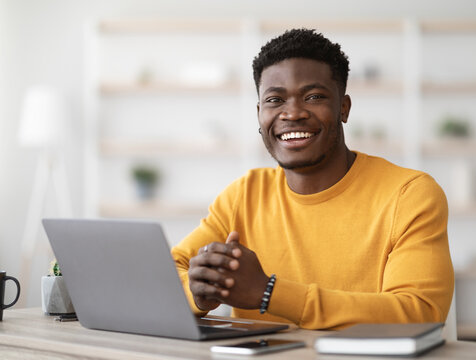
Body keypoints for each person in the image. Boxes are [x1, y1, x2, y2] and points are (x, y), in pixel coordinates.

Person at [171, 28, 454, 330]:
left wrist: (270, 293)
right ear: (259, 114)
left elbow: (418, 313)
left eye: (314, 96)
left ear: (343, 108)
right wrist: (198, 293)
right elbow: (169, 273)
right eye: (275, 100)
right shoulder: (245, 194)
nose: (292, 113)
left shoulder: (408, 195)